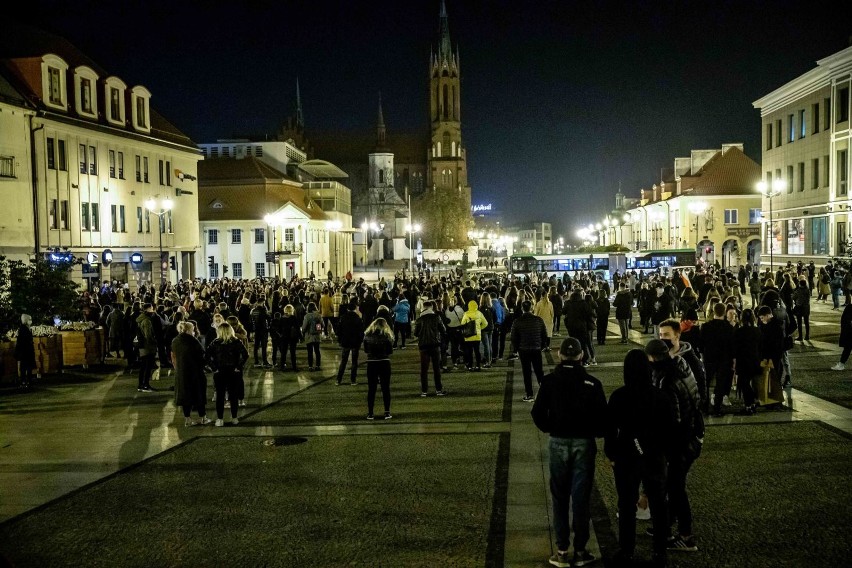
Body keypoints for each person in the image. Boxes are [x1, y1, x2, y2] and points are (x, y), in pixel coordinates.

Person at [531, 338, 608, 568]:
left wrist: (550, 427)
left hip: (558, 442)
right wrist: (591, 432)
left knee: (559, 496)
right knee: (581, 498)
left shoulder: (549, 381)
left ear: (559, 355)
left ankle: (562, 550)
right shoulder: (592, 383)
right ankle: (582, 550)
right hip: (584, 443)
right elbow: (604, 419)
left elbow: (536, 413)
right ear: (581, 356)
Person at [605, 349, 673, 567]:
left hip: (626, 457)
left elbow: (610, 430)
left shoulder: (619, 396)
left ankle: (627, 550)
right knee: (659, 504)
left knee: (626, 504)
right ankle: (660, 551)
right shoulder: (661, 396)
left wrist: (611, 454)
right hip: (654, 457)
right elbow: (669, 429)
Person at [645, 338, 703, 553]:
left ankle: (687, 536)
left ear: (652, 358)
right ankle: (666, 525)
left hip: (681, 442)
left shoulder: (667, 380)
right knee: (673, 485)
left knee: (676, 488)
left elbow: (674, 420)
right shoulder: (681, 365)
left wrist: (664, 447)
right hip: (693, 432)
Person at [205, 322, 249, 427]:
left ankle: (220, 419)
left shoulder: (215, 342)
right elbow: (245, 354)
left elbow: (206, 356)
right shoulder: (236, 342)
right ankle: (234, 418)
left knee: (220, 396)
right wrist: (239, 366)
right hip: (233, 371)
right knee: (233, 395)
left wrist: (214, 367)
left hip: (219, 371)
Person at [171, 321, 211, 426]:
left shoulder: (175, 341)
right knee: (199, 395)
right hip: (195, 372)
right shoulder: (193, 341)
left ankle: (187, 419)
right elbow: (202, 356)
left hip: (181, 372)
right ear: (189, 329)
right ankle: (203, 417)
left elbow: (173, 355)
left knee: (185, 396)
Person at [701, 302, 736, 417]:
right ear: (725, 312)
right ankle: (717, 407)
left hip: (709, 358)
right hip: (724, 359)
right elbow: (732, 346)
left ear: (713, 311)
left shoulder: (705, 327)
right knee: (720, 384)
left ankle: (705, 407)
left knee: (706, 383)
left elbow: (701, 345)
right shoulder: (729, 328)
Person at [511, 300, 548, 402]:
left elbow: (514, 337)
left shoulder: (517, 321)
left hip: (524, 350)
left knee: (526, 372)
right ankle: (543, 393)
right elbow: (544, 334)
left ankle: (529, 394)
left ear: (523, 309)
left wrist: (516, 349)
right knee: (539, 371)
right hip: (536, 349)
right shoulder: (539, 320)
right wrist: (542, 345)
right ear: (532, 308)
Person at [413, 300, 447, 396]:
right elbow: (443, 330)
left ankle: (424, 391)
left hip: (423, 346)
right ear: (431, 307)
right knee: (436, 368)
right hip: (435, 344)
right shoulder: (436, 317)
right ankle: (438, 390)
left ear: (423, 308)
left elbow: (415, 333)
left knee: (424, 369)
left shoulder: (420, 319)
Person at [363, 316, 394, 420]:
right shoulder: (387, 335)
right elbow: (390, 351)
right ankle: (387, 412)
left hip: (372, 363)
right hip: (384, 362)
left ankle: (370, 413)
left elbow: (366, 350)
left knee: (372, 389)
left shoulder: (367, 335)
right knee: (385, 388)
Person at [735, 309, 762, 415]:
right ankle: (751, 403)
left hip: (742, 361)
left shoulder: (738, 332)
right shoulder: (757, 331)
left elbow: (735, 348)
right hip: (754, 360)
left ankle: (749, 404)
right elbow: (761, 347)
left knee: (744, 383)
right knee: (748, 383)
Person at [336, 301, 364, 386]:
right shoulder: (358, 319)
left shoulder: (343, 318)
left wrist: (340, 340)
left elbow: (338, 331)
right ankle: (353, 380)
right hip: (355, 342)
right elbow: (361, 332)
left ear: (347, 309)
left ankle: (338, 380)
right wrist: (360, 341)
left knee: (344, 361)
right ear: (355, 309)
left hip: (345, 341)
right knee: (354, 362)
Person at [136, 303, 159, 392]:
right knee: (147, 367)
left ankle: (141, 385)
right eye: (152, 309)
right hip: (147, 347)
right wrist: (154, 342)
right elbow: (148, 335)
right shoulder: (147, 321)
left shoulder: (140, 319)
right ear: (148, 309)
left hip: (142, 347)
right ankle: (146, 385)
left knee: (143, 366)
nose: (153, 311)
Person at [460, 299, 488, 371]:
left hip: (468, 336)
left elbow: (462, 324)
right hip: (477, 335)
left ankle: (470, 365)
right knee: (477, 351)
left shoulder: (466, 314)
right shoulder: (479, 313)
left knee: (469, 352)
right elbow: (485, 323)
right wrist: (479, 329)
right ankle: (478, 365)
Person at [14, 314, 36, 389]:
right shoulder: (23, 329)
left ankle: (28, 380)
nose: (31, 321)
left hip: (27, 351)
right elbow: (22, 341)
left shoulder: (27, 328)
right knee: (24, 367)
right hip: (25, 352)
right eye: (29, 319)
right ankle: (24, 381)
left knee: (27, 367)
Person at [301, 302, 323, 372]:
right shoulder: (318, 315)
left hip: (309, 336)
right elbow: (323, 325)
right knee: (317, 351)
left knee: (310, 352)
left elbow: (304, 327)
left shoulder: (307, 316)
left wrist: (303, 332)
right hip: (317, 336)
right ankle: (318, 365)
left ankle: (310, 366)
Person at [831, 303, 852, 371]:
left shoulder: (850, 307)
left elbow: (845, 320)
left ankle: (841, 364)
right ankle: (841, 364)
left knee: (847, 348)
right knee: (847, 348)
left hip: (849, 331)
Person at [791, 276, 811, 342]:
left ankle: (800, 336)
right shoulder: (808, 290)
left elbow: (793, 297)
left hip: (799, 307)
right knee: (806, 322)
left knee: (799, 322)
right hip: (806, 307)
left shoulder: (798, 291)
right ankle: (807, 335)